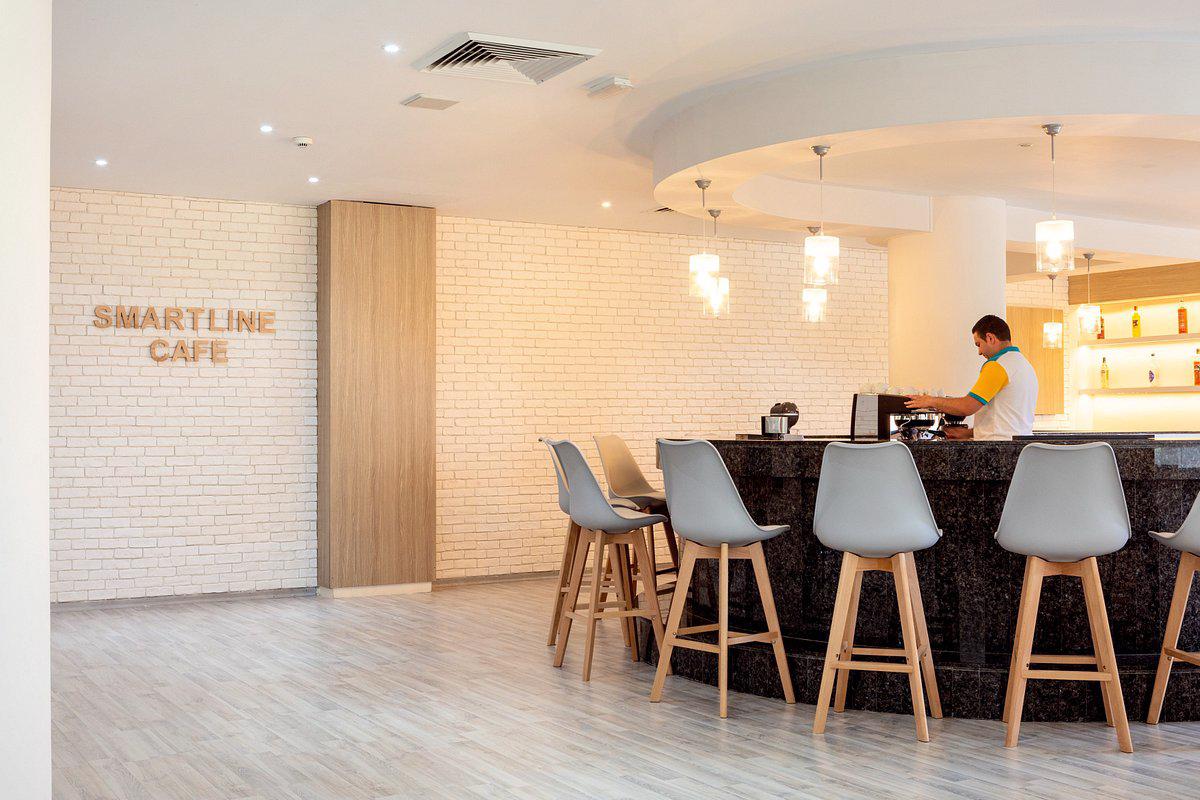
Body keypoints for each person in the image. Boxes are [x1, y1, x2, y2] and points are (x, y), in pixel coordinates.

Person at [904, 314, 1038, 441]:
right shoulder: (1024, 365)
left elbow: (966, 407)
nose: (979, 352)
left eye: (978, 344)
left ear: (990, 338)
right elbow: (1008, 423)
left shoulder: (998, 365)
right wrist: (966, 433)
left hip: (997, 448)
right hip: (1019, 446)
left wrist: (930, 401)